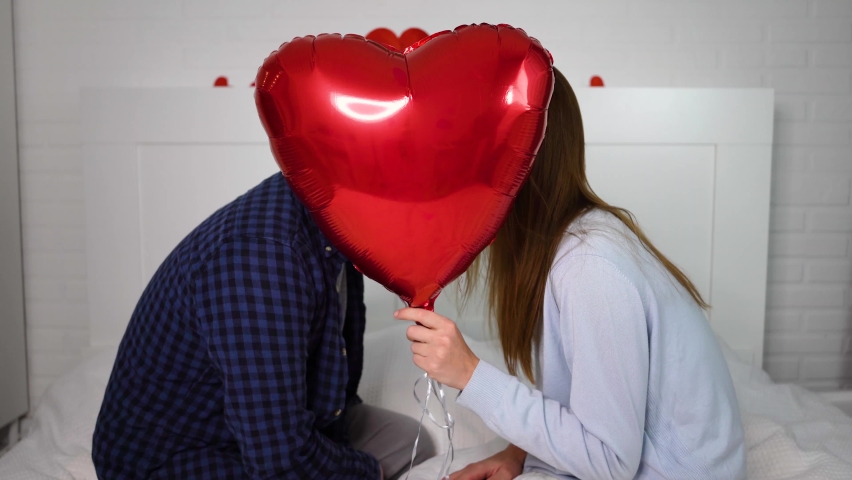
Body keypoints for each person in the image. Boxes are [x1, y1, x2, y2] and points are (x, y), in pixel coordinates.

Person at [394, 68, 746, 480]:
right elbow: (584, 400)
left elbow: (610, 463)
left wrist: (470, 373)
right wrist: (516, 453)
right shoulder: (575, 243)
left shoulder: (589, 266)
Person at [92, 172, 434, 479]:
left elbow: (334, 385)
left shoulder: (337, 223)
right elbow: (279, 462)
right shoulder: (263, 262)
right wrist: (367, 472)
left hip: (280, 433)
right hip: (188, 459)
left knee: (410, 441)